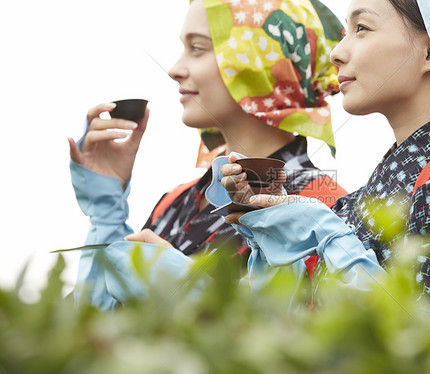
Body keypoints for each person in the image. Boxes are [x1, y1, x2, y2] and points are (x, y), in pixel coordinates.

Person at [219, 0, 430, 316]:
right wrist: (274, 230)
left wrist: (326, 235)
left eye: (362, 28)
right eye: (342, 34)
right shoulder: (371, 196)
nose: (336, 53)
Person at [69, 0, 347, 310]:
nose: (175, 69)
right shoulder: (175, 200)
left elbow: (304, 343)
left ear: (258, 61)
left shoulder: (324, 205)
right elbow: (95, 330)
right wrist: (107, 210)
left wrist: (195, 296)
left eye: (198, 48)